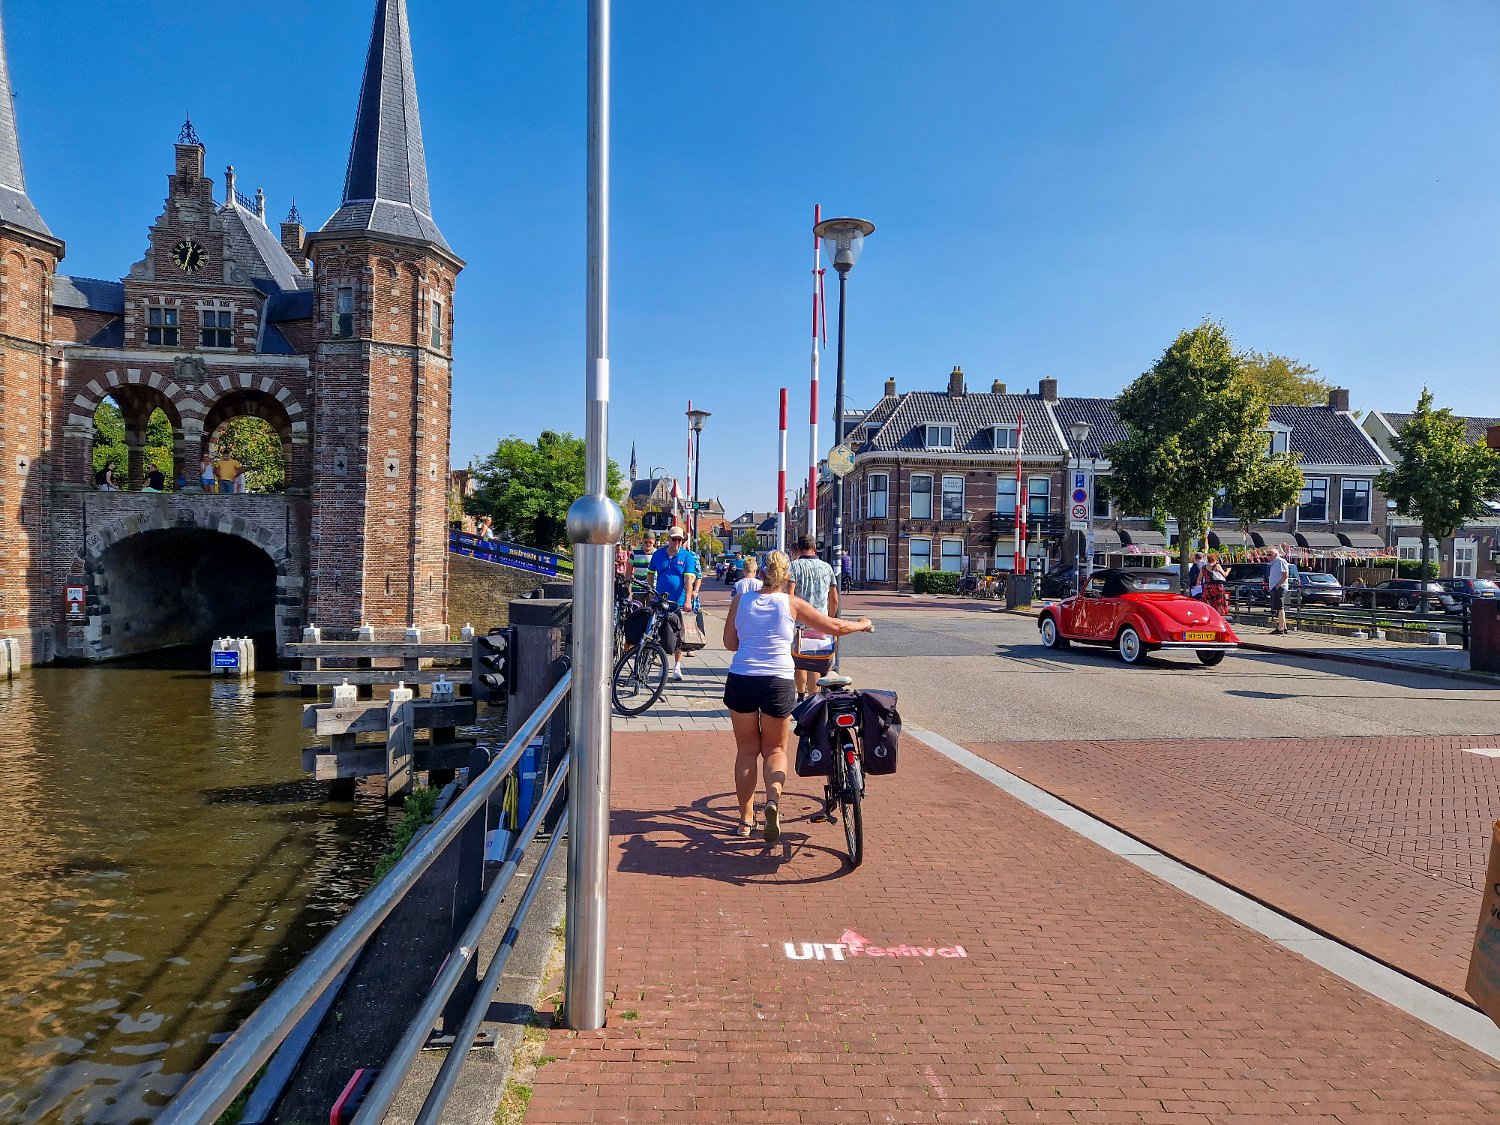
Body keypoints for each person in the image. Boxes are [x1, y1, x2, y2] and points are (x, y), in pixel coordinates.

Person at [722, 549, 873, 841]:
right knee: (775, 751)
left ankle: (745, 821)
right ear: (787, 577)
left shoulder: (741, 600)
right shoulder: (792, 604)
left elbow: (730, 642)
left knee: (746, 751)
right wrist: (862, 623)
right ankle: (772, 803)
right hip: (777, 682)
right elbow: (835, 626)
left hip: (742, 678)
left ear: (761, 573)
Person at [787, 535, 837, 702]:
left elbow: (790, 594)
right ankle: (813, 700)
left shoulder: (793, 566)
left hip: (799, 623)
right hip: (820, 623)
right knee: (815, 663)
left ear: (799, 549)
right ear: (815, 548)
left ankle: (801, 697)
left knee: (799, 660)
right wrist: (829, 620)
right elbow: (834, 598)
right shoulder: (827, 567)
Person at [648, 525, 700, 680]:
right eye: (674, 539)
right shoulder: (658, 554)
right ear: (668, 539)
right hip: (660, 600)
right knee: (659, 633)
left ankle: (677, 666)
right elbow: (650, 573)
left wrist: (688, 599)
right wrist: (651, 592)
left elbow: (689, 579)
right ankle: (663, 664)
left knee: (677, 634)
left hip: (678, 601)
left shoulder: (687, 556)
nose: (677, 543)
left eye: (680, 540)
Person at [1267, 546, 1290, 635]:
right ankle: (1284, 627)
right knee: (1279, 607)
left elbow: (1285, 574)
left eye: (1270, 555)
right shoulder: (1274, 563)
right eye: (1267, 555)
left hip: (1279, 587)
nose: (1268, 557)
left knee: (1280, 608)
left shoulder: (1280, 561)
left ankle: (1280, 628)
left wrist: (1278, 584)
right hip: (1274, 587)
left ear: (1275, 554)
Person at [1202, 552, 1229, 618]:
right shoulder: (1217, 566)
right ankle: (1219, 618)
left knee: (1209, 603)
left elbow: (1199, 578)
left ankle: (1211, 617)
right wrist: (1228, 570)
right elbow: (1225, 575)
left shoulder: (1204, 567)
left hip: (1208, 587)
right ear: (1214, 559)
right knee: (1219, 603)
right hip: (1217, 587)